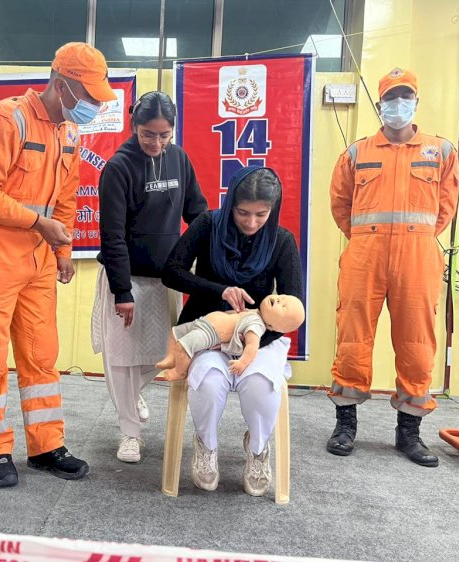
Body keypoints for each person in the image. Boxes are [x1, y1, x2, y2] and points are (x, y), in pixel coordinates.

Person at [0, 42, 117, 487]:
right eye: (87, 95)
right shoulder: (7, 120)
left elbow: (66, 200)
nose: (92, 106)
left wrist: (61, 252)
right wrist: (38, 224)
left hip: (38, 262)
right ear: (61, 85)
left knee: (41, 357)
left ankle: (46, 447)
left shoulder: (69, 134)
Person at [327, 68, 459, 468]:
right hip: (364, 254)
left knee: (417, 344)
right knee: (352, 338)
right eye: (390, 98)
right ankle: (346, 424)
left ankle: (409, 432)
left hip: (418, 256)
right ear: (379, 104)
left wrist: (412, 237)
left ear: (416, 102)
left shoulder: (441, 151)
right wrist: (370, 236)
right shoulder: (356, 153)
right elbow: (340, 206)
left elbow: (446, 208)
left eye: (405, 97)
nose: (397, 104)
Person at [162, 166, 303, 496]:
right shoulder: (208, 224)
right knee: (209, 385)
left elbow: (295, 308)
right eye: (242, 213)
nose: (251, 223)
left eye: (260, 215)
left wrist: (248, 340)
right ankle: (206, 445)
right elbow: (171, 272)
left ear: (273, 210)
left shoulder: (281, 241)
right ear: (230, 205)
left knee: (260, 387)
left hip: (260, 338)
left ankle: (257, 449)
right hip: (208, 332)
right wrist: (220, 291)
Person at [91, 91, 208, 463]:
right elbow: (112, 235)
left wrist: (216, 246)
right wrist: (121, 291)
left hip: (165, 279)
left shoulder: (179, 159)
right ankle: (130, 433)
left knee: (163, 353)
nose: (157, 143)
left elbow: (197, 212)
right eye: (148, 134)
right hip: (126, 278)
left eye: (164, 135)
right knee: (122, 360)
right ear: (134, 126)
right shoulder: (119, 167)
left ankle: (132, 394)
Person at [156, 293, 305, 380]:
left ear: (274, 327)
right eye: (281, 297)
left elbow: (252, 347)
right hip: (202, 323)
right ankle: (171, 357)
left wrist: (242, 363)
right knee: (175, 332)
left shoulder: (256, 326)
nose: (280, 300)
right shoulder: (254, 313)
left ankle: (180, 371)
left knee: (185, 345)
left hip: (211, 333)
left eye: (284, 306)